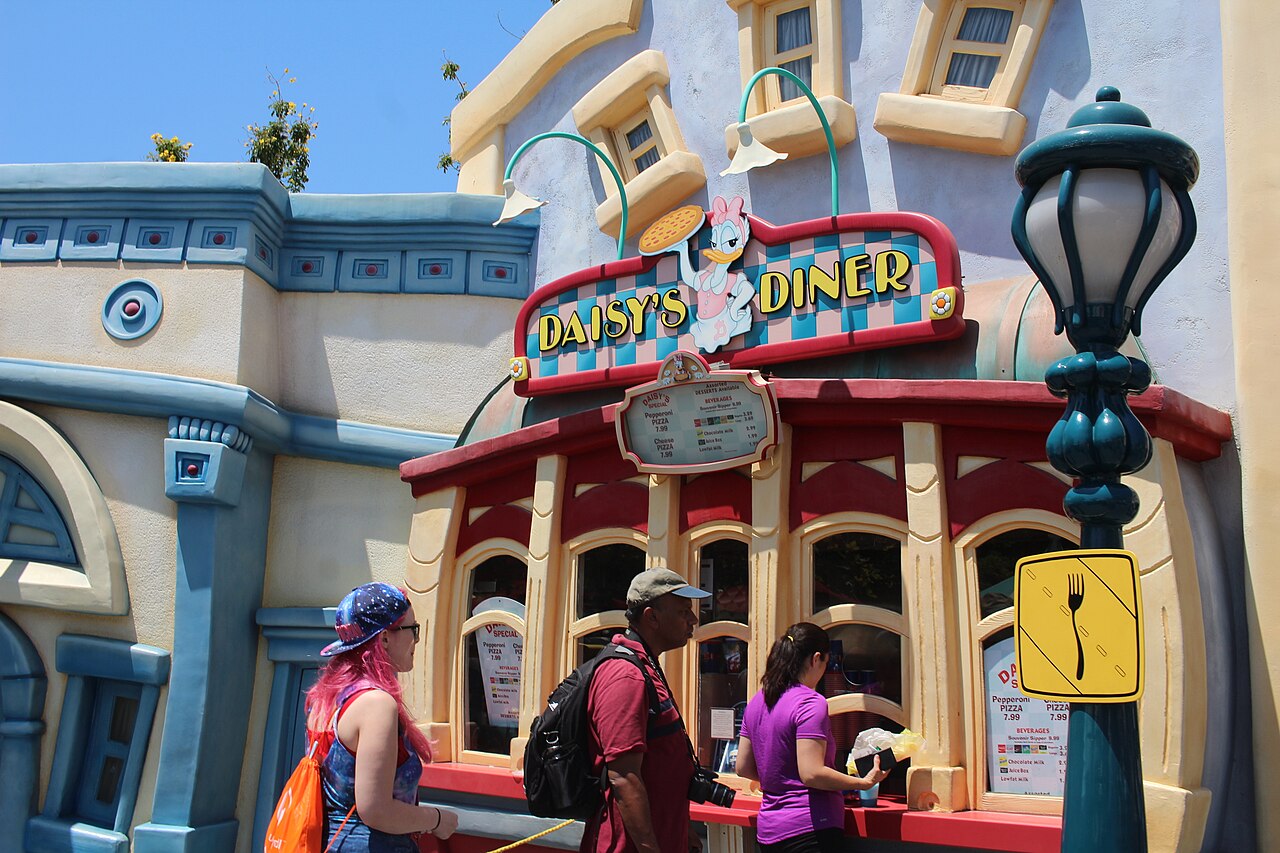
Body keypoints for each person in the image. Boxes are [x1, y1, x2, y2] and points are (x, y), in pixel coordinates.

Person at [306, 582, 459, 851]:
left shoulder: (330, 696)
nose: (417, 640)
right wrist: (437, 820)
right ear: (385, 638)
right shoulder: (376, 705)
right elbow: (376, 810)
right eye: (413, 629)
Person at [581, 568, 711, 853]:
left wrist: (683, 829)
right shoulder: (625, 676)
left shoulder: (645, 665)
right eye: (683, 612)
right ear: (652, 616)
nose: (693, 620)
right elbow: (623, 776)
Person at [735, 622, 889, 853]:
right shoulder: (810, 702)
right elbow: (812, 773)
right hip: (810, 829)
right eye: (826, 663)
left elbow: (743, 768)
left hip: (769, 832)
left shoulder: (758, 700)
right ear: (816, 658)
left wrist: (782, 777)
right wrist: (864, 782)